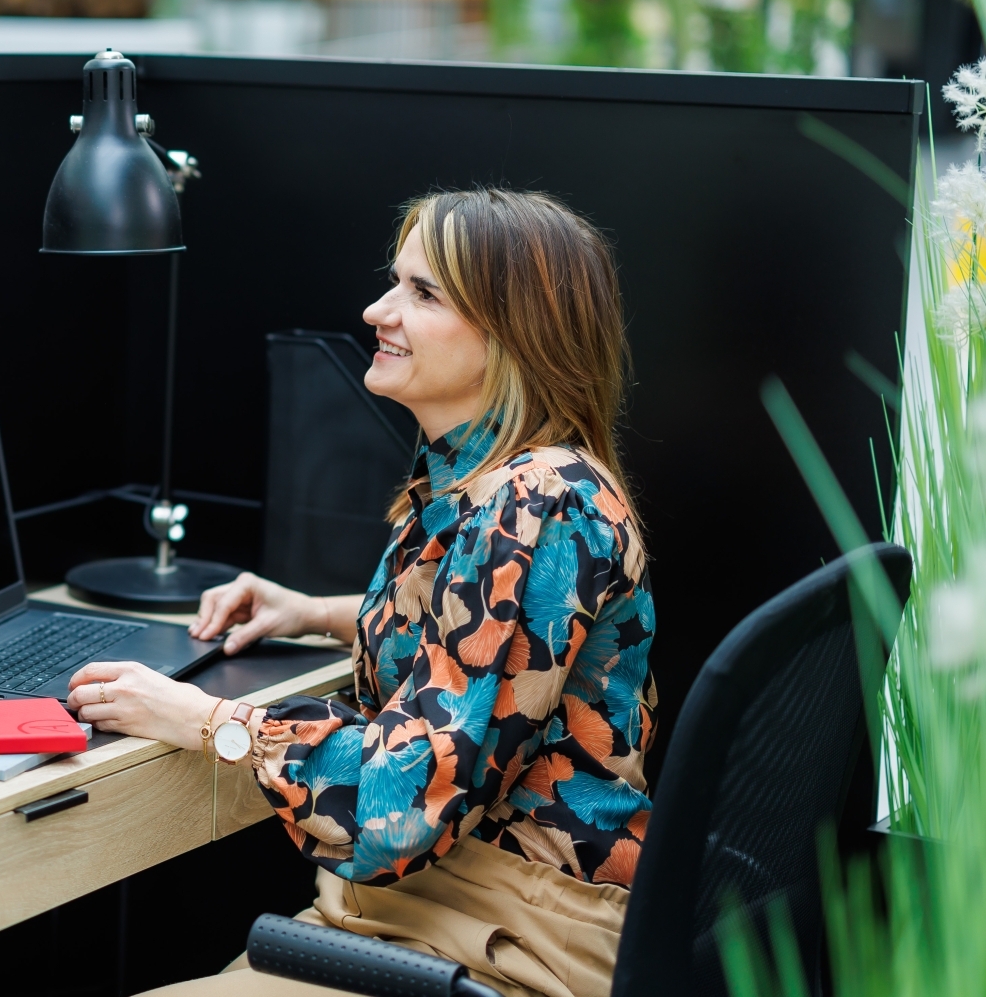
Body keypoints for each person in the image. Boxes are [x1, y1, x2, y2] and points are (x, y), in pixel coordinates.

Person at [69, 189, 656, 997]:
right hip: (438, 916)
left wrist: (207, 722)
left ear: (515, 329)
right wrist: (312, 611)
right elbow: (488, 645)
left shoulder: (540, 502)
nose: (379, 309)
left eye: (423, 293)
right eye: (395, 281)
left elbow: (406, 801)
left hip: (515, 941)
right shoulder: (493, 477)